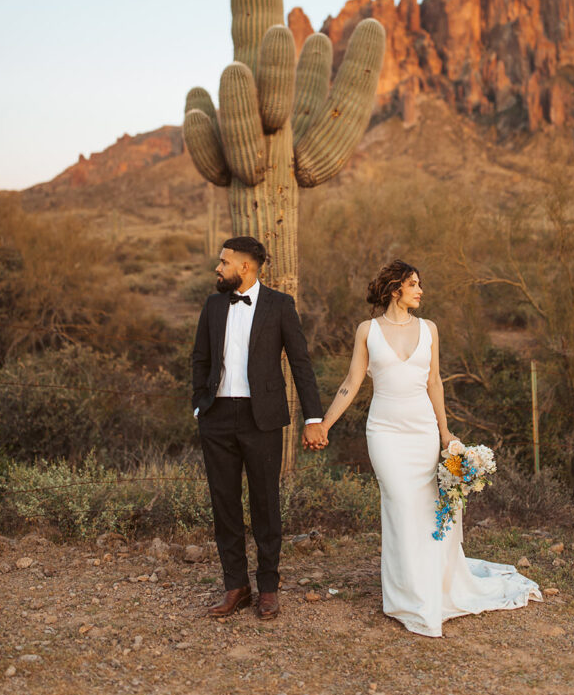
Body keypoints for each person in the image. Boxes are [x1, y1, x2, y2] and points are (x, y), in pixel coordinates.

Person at [307, 258, 541, 637]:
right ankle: (407, 598)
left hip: (423, 433)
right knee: (400, 505)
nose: (420, 290)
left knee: (429, 511)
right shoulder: (367, 331)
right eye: (414, 284)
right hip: (384, 433)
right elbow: (351, 383)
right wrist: (324, 424)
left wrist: (446, 434)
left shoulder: (429, 329)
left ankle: (433, 585)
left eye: (420, 284)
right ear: (395, 288)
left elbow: (435, 383)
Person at [192, 236, 326, 620]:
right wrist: (199, 405)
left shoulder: (280, 306)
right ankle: (236, 586)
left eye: (224, 262)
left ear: (245, 266)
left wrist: (313, 418)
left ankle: (268, 587)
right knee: (225, 504)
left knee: (265, 504)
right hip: (216, 416)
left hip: (262, 418)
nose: (218, 268)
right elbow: (200, 358)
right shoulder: (213, 305)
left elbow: (300, 362)